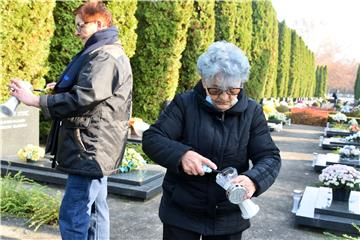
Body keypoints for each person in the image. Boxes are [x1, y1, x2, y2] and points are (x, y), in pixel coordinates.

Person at [9, 2, 132, 239]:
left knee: (74, 212)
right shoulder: (105, 50)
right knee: (95, 210)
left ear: (99, 23)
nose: (76, 32)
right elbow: (94, 91)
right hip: (95, 144)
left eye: (80, 26)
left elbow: (85, 98)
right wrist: (63, 87)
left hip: (90, 146)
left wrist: (35, 101)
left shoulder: (104, 55)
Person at [142, 41, 281, 240]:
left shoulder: (252, 112)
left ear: (241, 83)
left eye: (232, 91)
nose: (224, 97)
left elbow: (269, 156)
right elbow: (152, 138)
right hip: (182, 213)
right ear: (204, 81)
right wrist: (182, 155)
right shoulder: (184, 104)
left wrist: (253, 180)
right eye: (215, 90)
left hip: (228, 216)